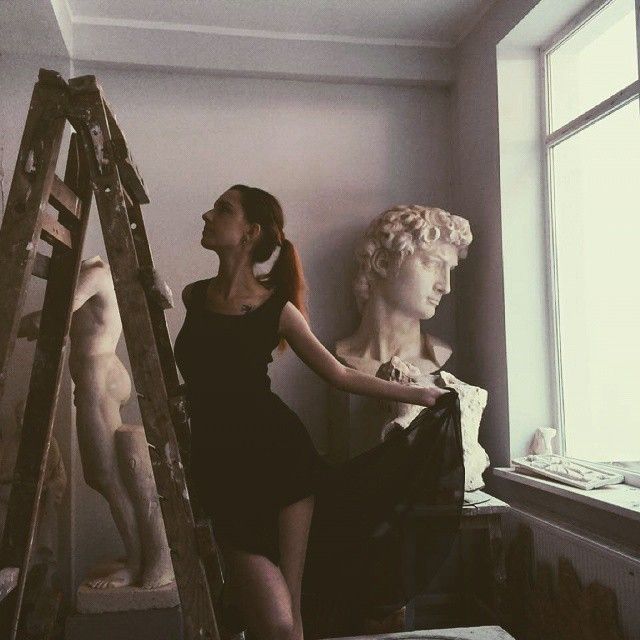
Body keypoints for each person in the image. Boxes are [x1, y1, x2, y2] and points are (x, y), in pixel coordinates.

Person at [174, 185, 454, 640]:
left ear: (250, 232)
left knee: (290, 621)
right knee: (270, 618)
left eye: (223, 209)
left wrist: (421, 396)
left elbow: (338, 374)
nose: (207, 215)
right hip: (221, 469)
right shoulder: (193, 297)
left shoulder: (277, 309)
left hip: (283, 465)